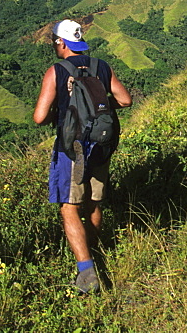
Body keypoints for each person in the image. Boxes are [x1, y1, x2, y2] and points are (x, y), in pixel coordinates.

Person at [33, 19, 132, 293]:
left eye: (54, 41)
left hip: (71, 148)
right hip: (101, 145)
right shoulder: (102, 66)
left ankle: (86, 270)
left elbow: (39, 117)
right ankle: (94, 249)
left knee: (69, 206)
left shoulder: (56, 71)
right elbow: (125, 100)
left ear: (60, 43)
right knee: (94, 202)